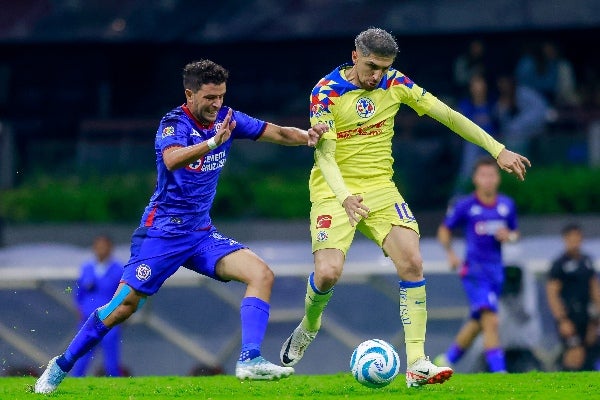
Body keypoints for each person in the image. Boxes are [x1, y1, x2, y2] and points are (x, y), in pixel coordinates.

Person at [34, 59, 327, 394]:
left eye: (221, 96)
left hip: (201, 234)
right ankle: (59, 367)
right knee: (122, 307)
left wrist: (307, 137)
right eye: (209, 98)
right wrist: (213, 143)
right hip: (161, 233)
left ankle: (249, 359)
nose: (217, 104)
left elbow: (274, 131)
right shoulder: (173, 124)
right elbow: (173, 159)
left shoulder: (227, 119)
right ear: (189, 94)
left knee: (261, 274)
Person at [279, 28, 530, 388]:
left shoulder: (395, 83)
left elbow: (447, 114)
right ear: (354, 57)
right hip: (334, 190)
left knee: (412, 262)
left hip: (381, 188)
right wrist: (345, 197)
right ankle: (310, 324)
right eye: (370, 67)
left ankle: (417, 363)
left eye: (383, 68)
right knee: (329, 273)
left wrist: (497, 149)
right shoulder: (326, 92)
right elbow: (326, 155)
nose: (376, 75)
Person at [434, 156, 519, 373]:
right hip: (474, 270)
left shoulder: (507, 205)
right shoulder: (466, 205)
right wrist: (451, 253)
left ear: (498, 178)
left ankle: (446, 359)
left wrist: (508, 236)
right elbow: (444, 230)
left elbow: (515, 233)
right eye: (483, 175)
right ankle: (499, 373)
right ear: (475, 179)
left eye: (491, 175)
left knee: (478, 321)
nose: (488, 180)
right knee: (491, 319)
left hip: (496, 271)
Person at [546, 224, 600, 371]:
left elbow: (594, 289)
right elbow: (552, 294)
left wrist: (596, 317)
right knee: (575, 352)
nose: (575, 241)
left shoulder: (587, 261)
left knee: (589, 351)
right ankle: (565, 387)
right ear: (565, 239)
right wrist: (562, 319)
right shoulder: (559, 265)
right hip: (569, 316)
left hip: (587, 317)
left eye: (578, 237)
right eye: (572, 238)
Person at [71, 235, 124, 377]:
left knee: (111, 360)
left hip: (110, 319)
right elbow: (79, 292)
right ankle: (76, 386)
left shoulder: (119, 269)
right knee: (81, 357)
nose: (101, 250)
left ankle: (116, 387)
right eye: (98, 247)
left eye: (104, 246)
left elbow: (123, 295)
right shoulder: (87, 268)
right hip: (88, 320)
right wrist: (79, 309)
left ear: (110, 248)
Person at [453, 74, 498, 195]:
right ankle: (457, 199)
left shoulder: (493, 103)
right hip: (471, 145)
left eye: (480, 83)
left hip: (493, 144)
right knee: (468, 162)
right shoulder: (465, 105)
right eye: (475, 84)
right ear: (470, 87)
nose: (478, 87)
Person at [494, 74, 548, 155]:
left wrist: (517, 126)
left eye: (505, 83)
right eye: (501, 84)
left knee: (515, 134)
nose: (503, 86)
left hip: (536, 130)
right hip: (515, 138)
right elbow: (502, 124)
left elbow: (542, 110)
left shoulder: (524, 93)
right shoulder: (501, 100)